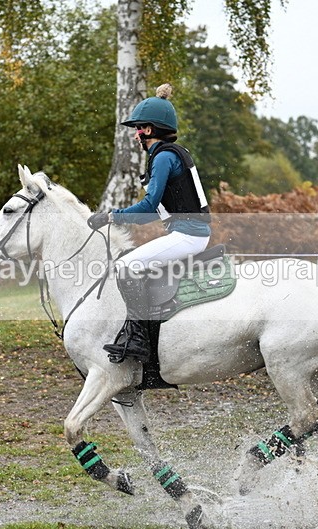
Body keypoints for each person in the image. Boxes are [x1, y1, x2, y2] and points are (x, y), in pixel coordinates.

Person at [87, 83, 211, 364]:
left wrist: (111, 216)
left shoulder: (164, 157)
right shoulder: (169, 154)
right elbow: (160, 211)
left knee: (125, 266)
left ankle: (138, 339)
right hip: (189, 231)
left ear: (150, 130)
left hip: (189, 235)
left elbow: (147, 207)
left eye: (138, 129)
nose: (135, 136)